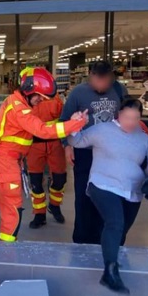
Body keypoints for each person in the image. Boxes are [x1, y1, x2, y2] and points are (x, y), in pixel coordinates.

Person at [68, 99, 148, 293]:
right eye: (128, 117)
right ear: (118, 115)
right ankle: (110, 271)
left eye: (136, 118)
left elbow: (147, 170)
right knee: (115, 222)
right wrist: (74, 123)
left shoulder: (143, 138)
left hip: (132, 190)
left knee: (121, 231)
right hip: (102, 184)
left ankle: (111, 261)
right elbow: (76, 141)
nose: (131, 121)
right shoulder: (102, 130)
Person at [0, 67, 87, 243]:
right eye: (39, 96)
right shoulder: (20, 109)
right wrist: (74, 124)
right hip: (7, 159)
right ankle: (6, 250)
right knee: (12, 206)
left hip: (9, 157)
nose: (41, 101)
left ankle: (6, 244)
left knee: (7, 204)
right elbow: (41, 130)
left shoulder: (19, 102)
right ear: (28, 89)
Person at [60, 60, 124, 245]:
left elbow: (127, 116)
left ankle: (103, 238)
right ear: (90, 77)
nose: (101, 85)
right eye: (97, 81)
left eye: (105, 81)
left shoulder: (119, 91)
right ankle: (81, 239)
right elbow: (64, 120)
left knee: (108, 195)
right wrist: (67, 145)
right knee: (84, 196)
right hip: (85, 153)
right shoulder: (78, 93)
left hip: (111, 154)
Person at [18, 68, 68, 229]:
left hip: (55, 143)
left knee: (60, 179)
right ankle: (39, 214)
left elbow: (63, 118)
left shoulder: (54, 97)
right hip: (34, 146)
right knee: (36, 183)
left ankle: (54, 205)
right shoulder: (24, 101)